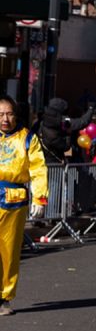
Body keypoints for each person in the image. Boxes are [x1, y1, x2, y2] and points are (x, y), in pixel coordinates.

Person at [0, 95, 48, 315]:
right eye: (1, 114)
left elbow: (38, 169)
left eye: (9, 114)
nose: (5, 119)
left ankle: (3, 297)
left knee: (8, 251)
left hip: (12, 200)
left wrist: (40, 198)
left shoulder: (27, 138)